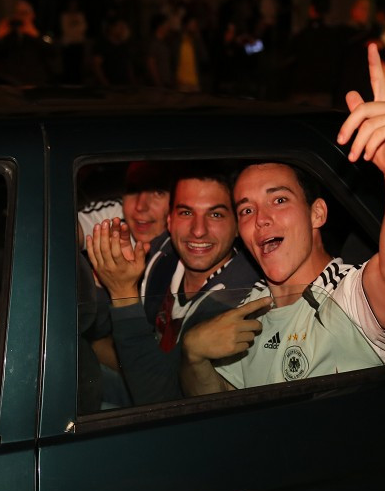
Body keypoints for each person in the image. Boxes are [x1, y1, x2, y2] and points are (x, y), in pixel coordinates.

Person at [180, 44, 385, 395]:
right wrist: (193, 356)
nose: (261, 220)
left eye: (279, 200)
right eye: (247, 210)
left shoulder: (349, 297)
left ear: (317, 212)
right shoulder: (247, 312)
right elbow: (219, 411)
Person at [85, 166, 261, 404]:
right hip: (140, 377)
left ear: (237, 225)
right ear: (170, 219)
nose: (198, 231)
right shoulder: (162, 254)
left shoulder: (239, 295)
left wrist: (122, 293)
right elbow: (99, 329)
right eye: (186, 213)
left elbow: (162, 400)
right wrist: (105, 281)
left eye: (215, 215)